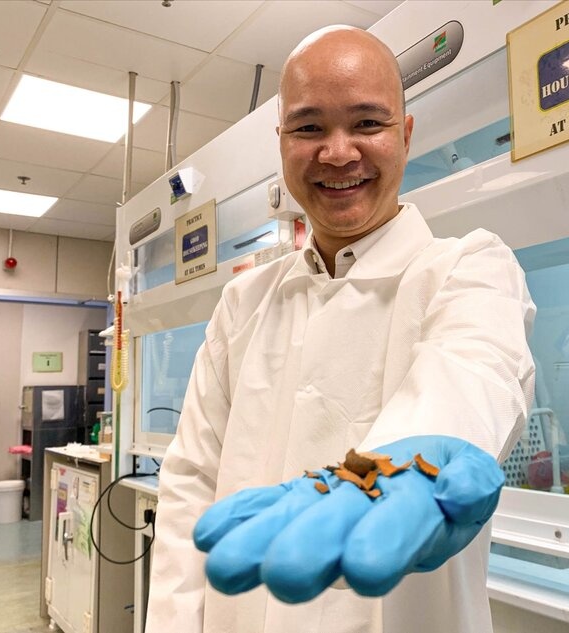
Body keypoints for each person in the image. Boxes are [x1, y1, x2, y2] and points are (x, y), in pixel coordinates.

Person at [146, 25, 535, 633]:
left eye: (366, 123)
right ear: (281, 144)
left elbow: (472, 370)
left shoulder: (467, 268)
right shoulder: (242, 303)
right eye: (308, 128)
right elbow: (190, 487)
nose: (337, 152)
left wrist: (411, 459)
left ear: (404, 136)